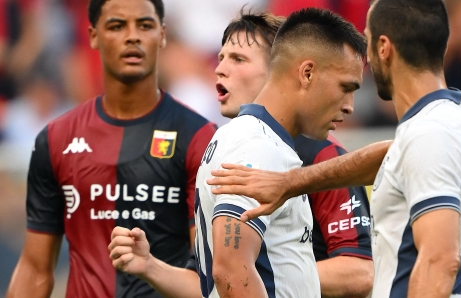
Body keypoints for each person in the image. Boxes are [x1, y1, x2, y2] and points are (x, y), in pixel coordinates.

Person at [208, 0, 461, 297]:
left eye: (367, 40)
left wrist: (285, 273)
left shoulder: (429, 134)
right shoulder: (459, 121)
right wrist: (290, 182)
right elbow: (390, 155)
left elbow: (439, 260)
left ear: (383, 48)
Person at [109, 10, 379, 298]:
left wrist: (151, 266)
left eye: (238, 59)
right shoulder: (253, 145)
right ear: (302, 71)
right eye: (222, 57)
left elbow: (214, 277)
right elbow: (229, 271)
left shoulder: (239, 142)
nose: (219, 69)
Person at [7, 0, 216, 297]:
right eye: (117, 26)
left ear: (163, 34)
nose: (132, 36)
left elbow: (213, 274)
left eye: (144, 25)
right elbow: (34, 269)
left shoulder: (199, 137)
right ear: (93, 36)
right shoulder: (56, 138)